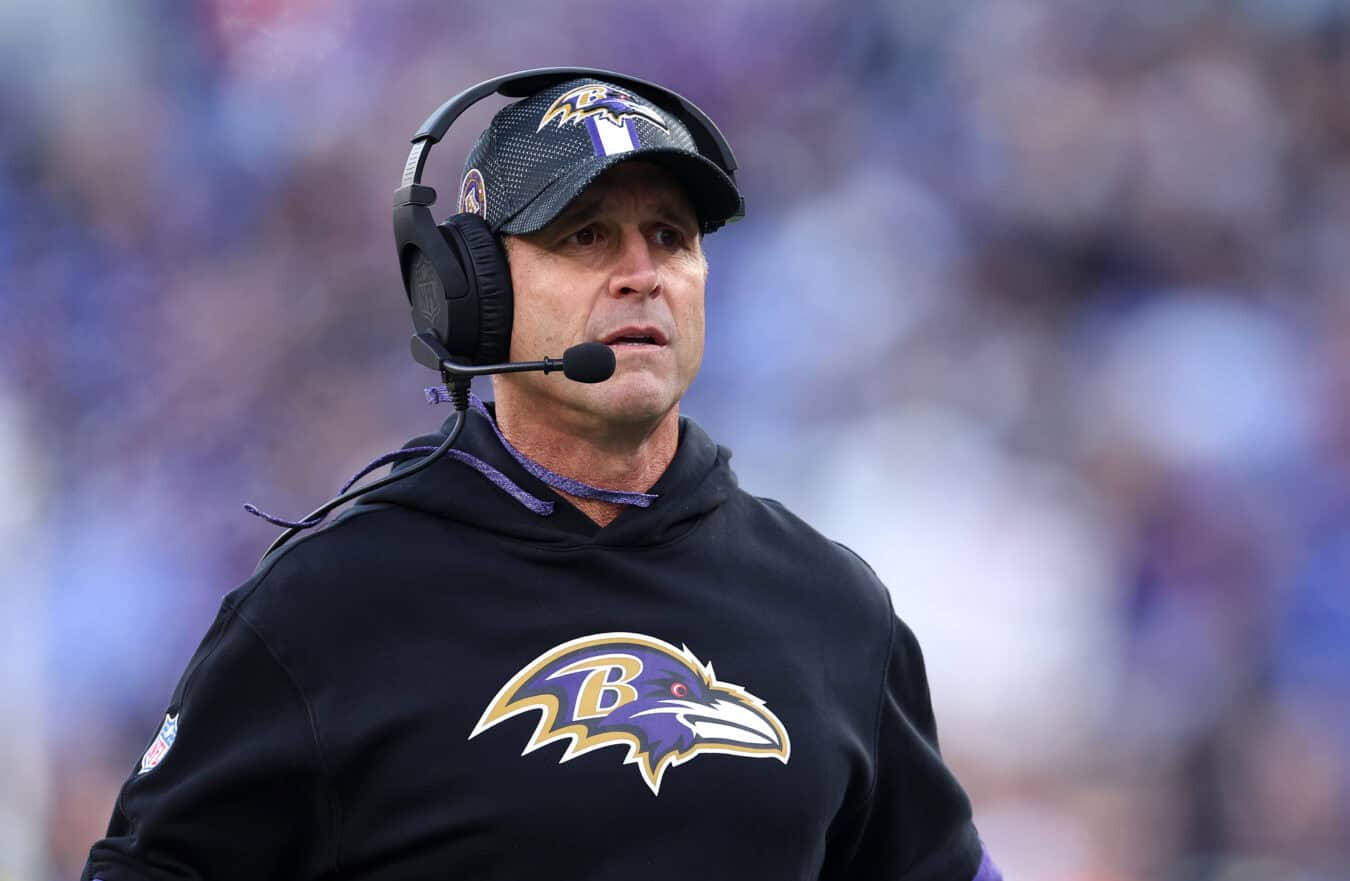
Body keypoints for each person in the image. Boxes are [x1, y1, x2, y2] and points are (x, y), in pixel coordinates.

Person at [83, 72, 1002, 881]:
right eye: (587, 235)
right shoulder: (325, 608)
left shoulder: (830, 607)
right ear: (473, 290)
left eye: (671, 236)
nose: (643, 275)